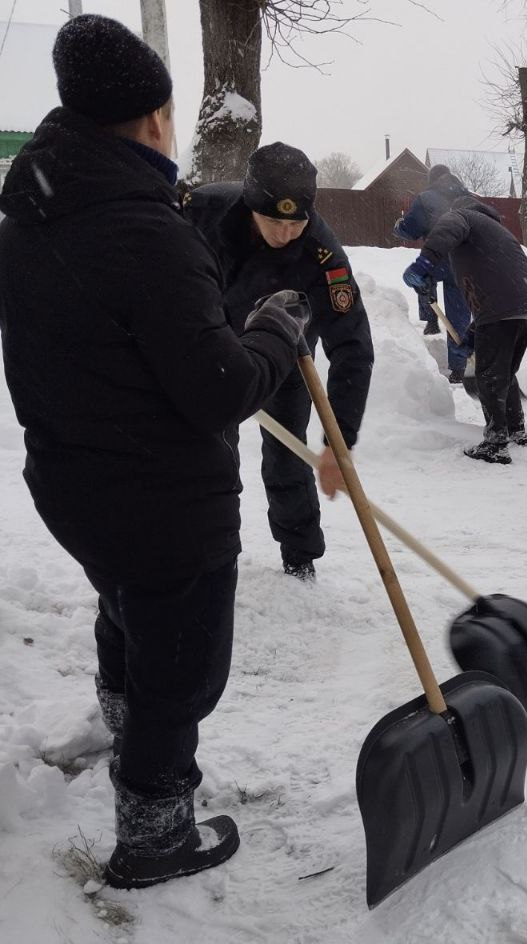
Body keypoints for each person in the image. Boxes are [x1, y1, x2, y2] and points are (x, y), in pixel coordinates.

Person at [0, 15, 305, 888]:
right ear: (154, 121)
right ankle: (154, 830)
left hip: (74, 485)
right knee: (182, 670)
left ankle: (119, 717)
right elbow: (219, 388)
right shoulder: (143, 230)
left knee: (126, 604)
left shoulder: (30, 218)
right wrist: (276, 332)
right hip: (165, 503)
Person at [186, 143, 374, 581]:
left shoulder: (323, 254)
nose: (287, 232)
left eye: (297, 222)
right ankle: (215, 552)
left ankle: (300, 553)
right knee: (213, 454)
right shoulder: (203, 211)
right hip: (215, 348)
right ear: (252, 206)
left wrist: (338, 444)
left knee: (288, 457)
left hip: (285, 357)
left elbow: (353, 347)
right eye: (274, 221)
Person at [404, 197, 527, 464]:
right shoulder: (494, 235)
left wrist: (423, 264)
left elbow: (449, 227)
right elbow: (495, 287)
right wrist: (471, 336)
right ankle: (516, 430)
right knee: (503, 373)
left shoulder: (464, 217)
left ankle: (496, 443)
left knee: (488, 375)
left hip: (502, 309)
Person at [395, 164, 475, 381]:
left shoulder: (426, 197)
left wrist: (399, 226)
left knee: (423, 279)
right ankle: (458, 369)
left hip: (436, 257)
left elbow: (410, 230)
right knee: (459, 314)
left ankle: (430, 320)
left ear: (432, 179)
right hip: (462, 261)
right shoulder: (467, 196)